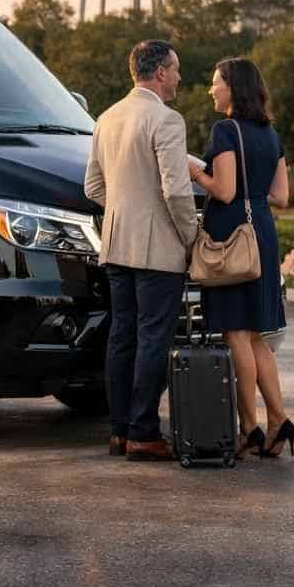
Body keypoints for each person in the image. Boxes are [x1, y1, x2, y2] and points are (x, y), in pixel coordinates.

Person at [84, 39, 198, 461]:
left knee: (121, 338)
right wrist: (191, 238)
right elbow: (177, 191)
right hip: (157, 251)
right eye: (177, 68)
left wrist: (124, 212)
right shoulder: (166, 120)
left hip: (115, 245)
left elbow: (92, 187)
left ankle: (118, 431)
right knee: (154, 339)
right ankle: (143, 433)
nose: (180, 77)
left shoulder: (106, 118)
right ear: (161, 72)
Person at [188, 57, 294, 460]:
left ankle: (248, 427)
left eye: (216, 83)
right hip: (263, 235)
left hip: (232, 236)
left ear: (233, 87)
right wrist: (254, 198)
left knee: (235, 334)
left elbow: (225, 190)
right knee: (256, 336)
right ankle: (278, 420)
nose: (211, 89)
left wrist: (197, 172)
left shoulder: (224, 131)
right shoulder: (271, 134)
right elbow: (281, 196)